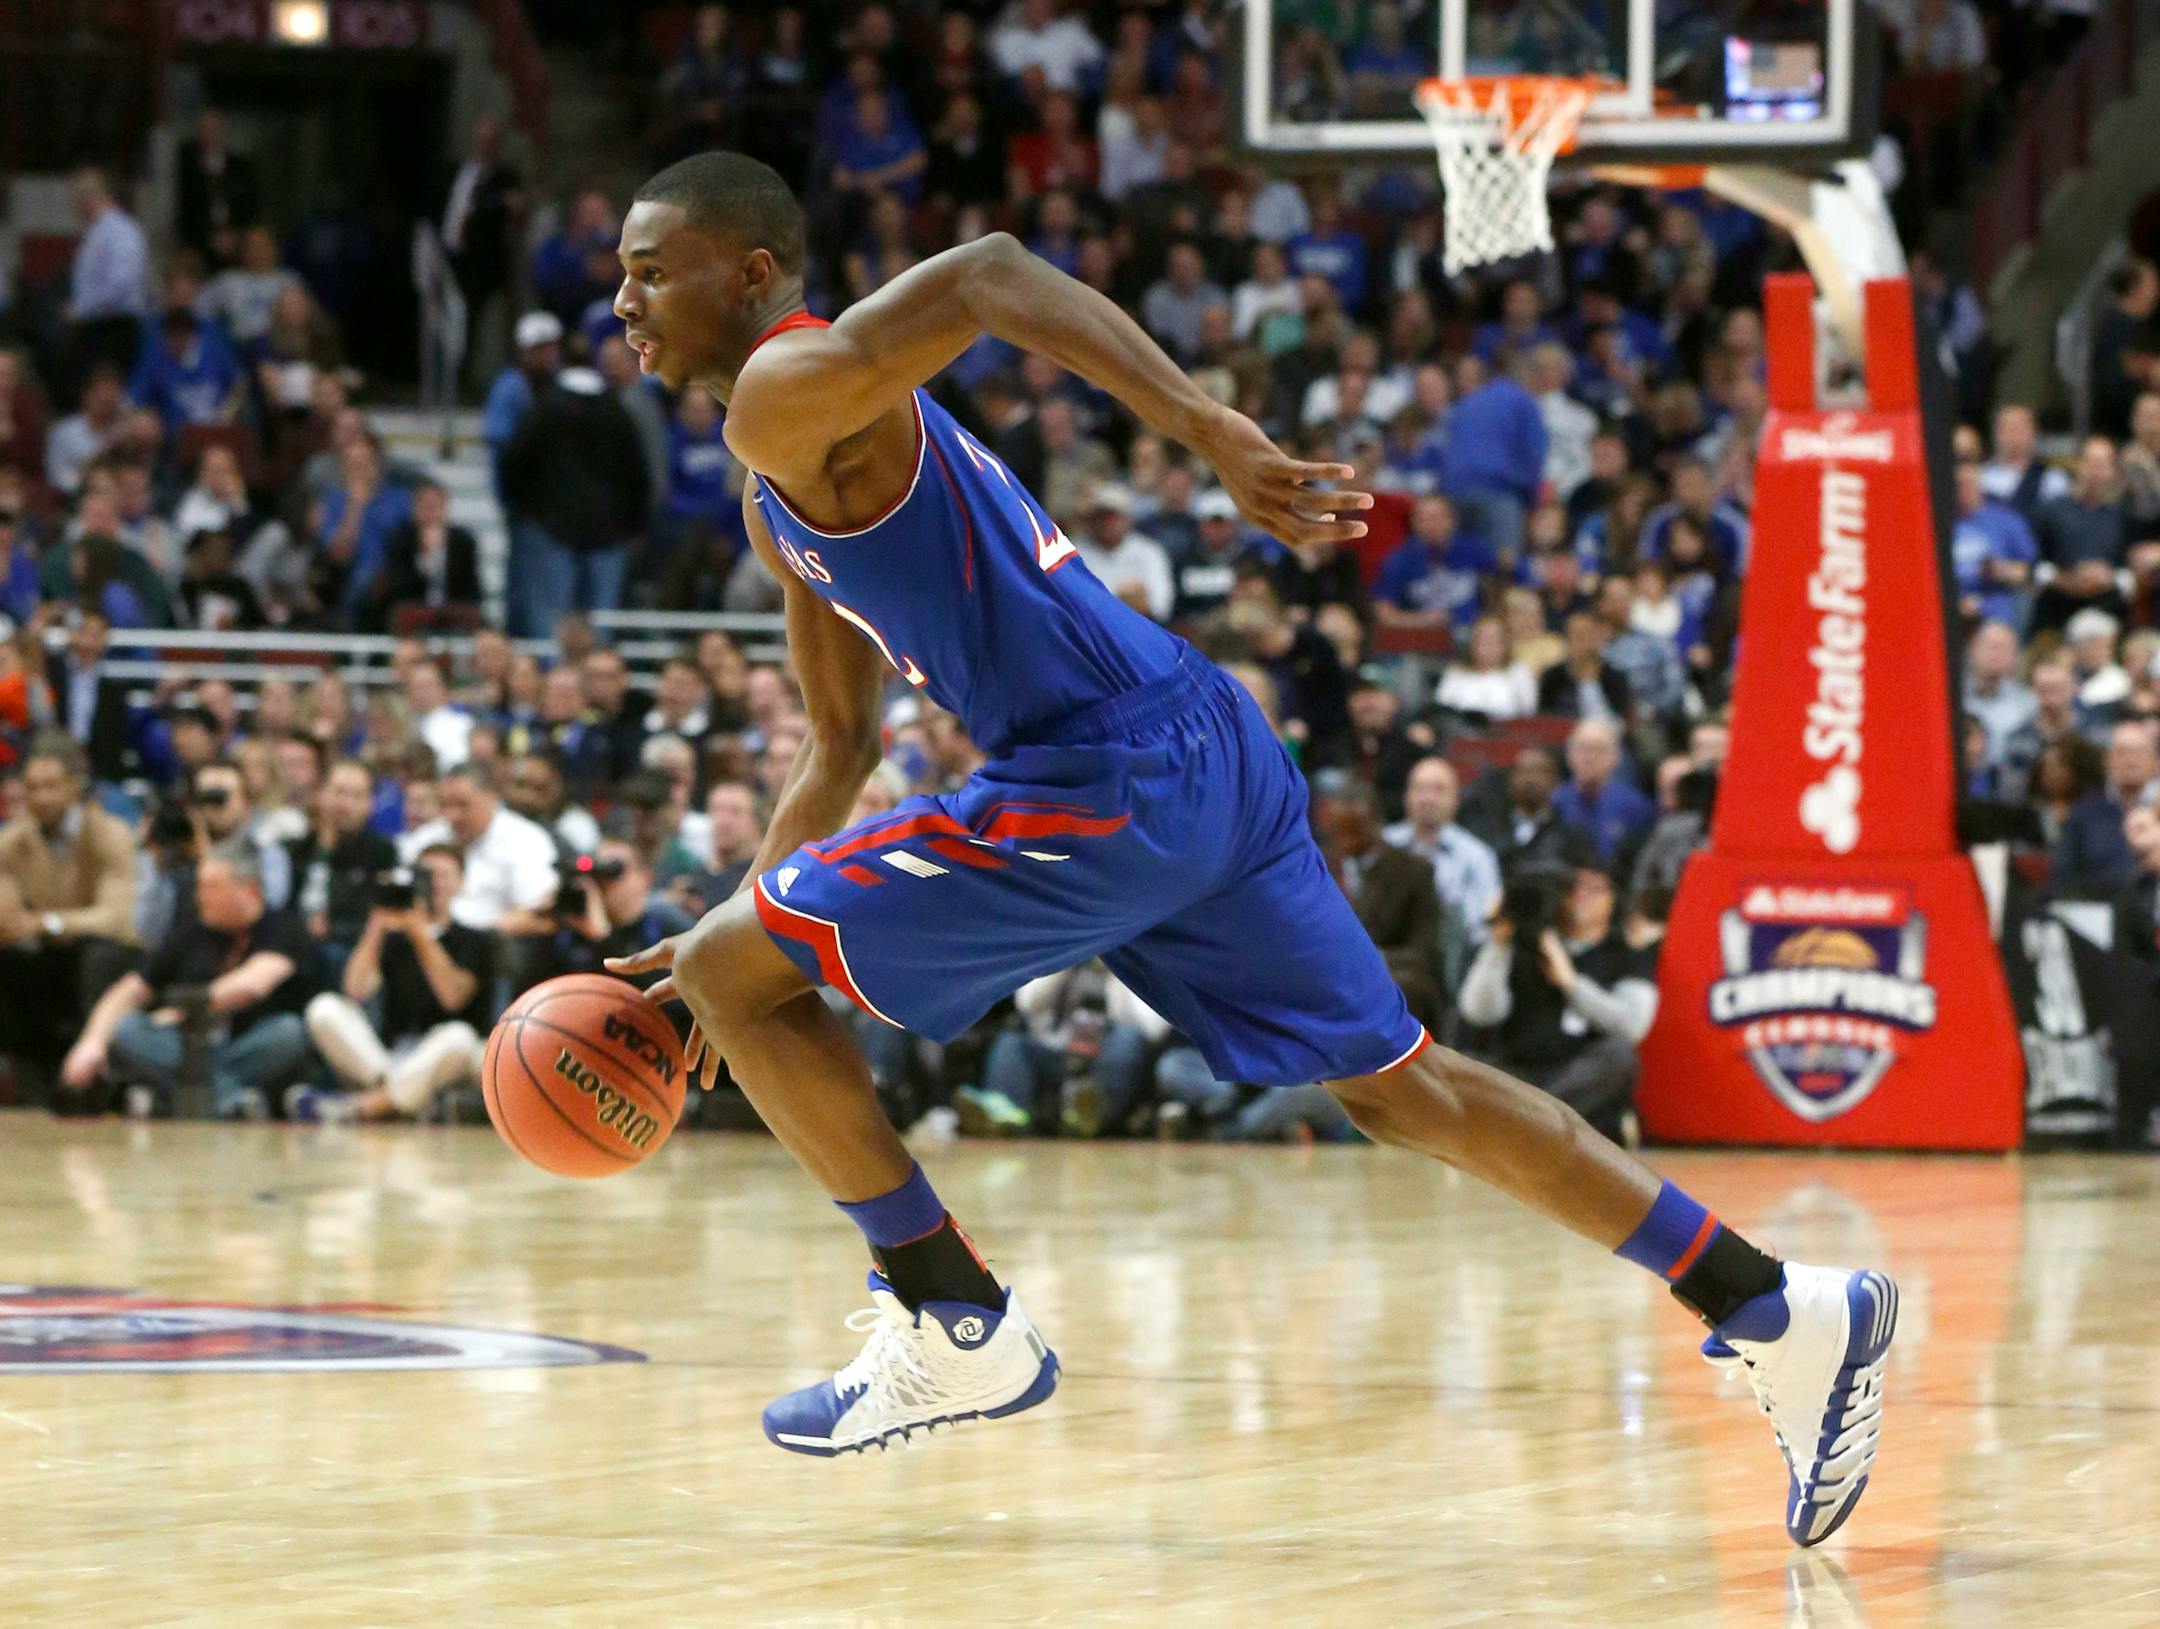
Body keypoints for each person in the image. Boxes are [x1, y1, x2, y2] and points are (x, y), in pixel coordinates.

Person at [599, 153, 1894, 1541]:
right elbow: (837, 747)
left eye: (648, 269)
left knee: (741, 981)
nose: (623, 299)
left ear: (748, 274)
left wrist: (1208, 427)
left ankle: (955, 1317)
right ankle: (1773, 1301)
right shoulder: (777, 471)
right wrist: (743, 920)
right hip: (1193, 743)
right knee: (1408, 1089)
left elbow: (985, 270)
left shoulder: (787, 389)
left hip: (1106, 777)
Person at [63, 843, 312, 1119]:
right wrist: (92, 1042)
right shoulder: (190, 932)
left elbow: (251, 985)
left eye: (211, 887)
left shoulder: (284, 927)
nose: (200, 896)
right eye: (199, 887)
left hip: (246, 1046)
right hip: (185, 1049)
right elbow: (130, 990)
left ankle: (181, 1101)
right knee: (127, 1030)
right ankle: (231, 1101)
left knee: (289, 1032)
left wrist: (181, 1012)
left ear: (249, 889)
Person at [1457, 860, 1659, 1144]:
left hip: (1576, 1075)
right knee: (1466, 1064)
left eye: (1595, 888)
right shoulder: (1520, 946)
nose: (1582, 896)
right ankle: (1541, 1123)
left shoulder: (1625, 955)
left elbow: (1632, 1026)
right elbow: (1478, 1013)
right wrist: (1499, 944)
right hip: (1519, 1072)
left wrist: (1572, 985)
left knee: (1619, 1056)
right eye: (1575, 887)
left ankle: (1531, 1123)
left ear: (1614, 899)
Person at [294, 843, 491, 1123]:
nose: (433, 882)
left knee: (459, 1037)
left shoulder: (475, 939)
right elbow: (355, 989)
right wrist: (376, 924)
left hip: (451, 1058)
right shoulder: (391, 936)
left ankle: (364, 1107)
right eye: (425, 874)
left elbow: (452, 998)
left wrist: (419, 930)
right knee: (323, 1008)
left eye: (442, 874)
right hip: (392, 1056)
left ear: (460, 882)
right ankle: (400, 1097)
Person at [0, 735, 139, 1106]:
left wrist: (47, 923)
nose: (41, 797)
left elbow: (115, 917)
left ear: (74, 788)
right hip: (48, 954)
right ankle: (28, 1083)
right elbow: (9, 917)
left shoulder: (111, 833)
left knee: (96, 958)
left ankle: (99, 1082)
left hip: (110, 953)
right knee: (12, 960)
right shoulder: (12, 842)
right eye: (32, 788)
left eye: (51, 786)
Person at [399, 760, 558, 931]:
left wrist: (477, 936)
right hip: (428, 942)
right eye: (445, 804)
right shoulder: (426, 838)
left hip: (495, 943)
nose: (452, 815)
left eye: (462, 804)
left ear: (491, 796)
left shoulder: (525, 839)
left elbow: (539, 911)